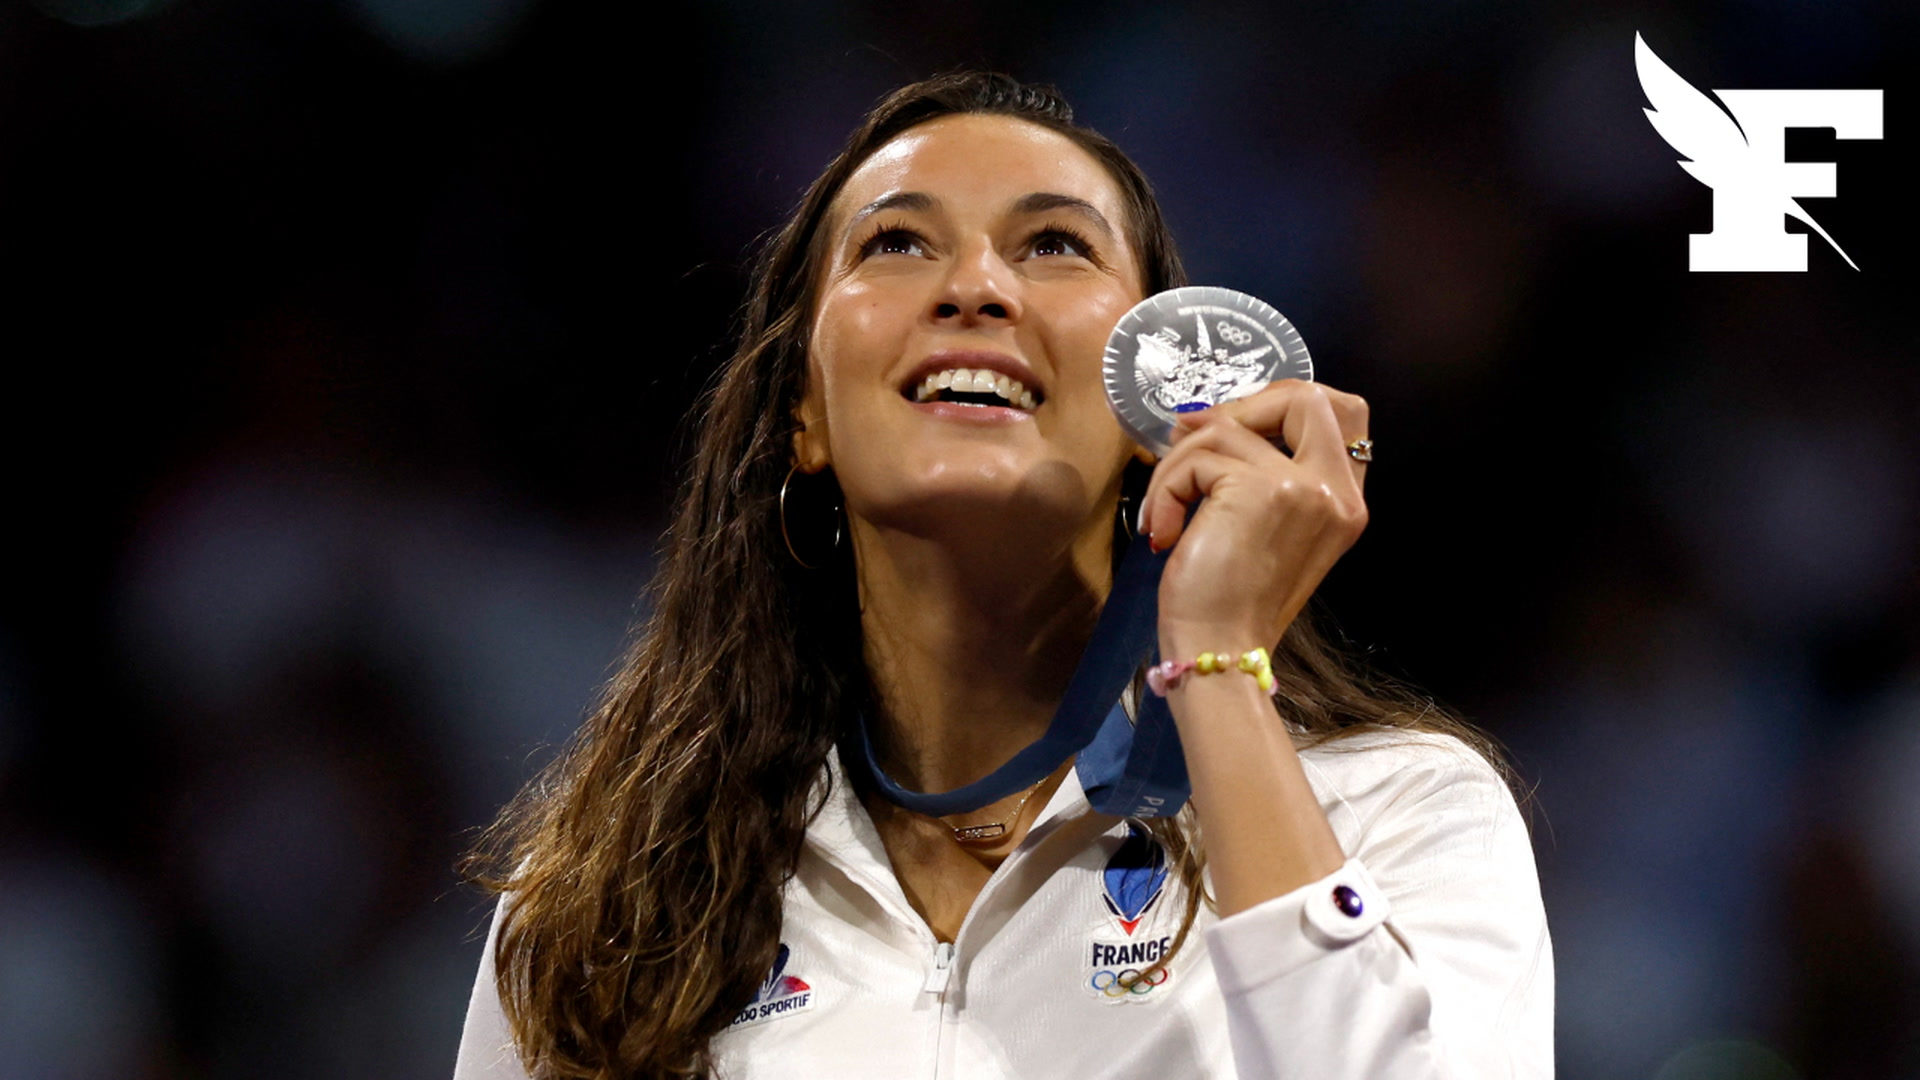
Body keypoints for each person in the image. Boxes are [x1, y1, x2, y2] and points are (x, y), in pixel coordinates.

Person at [453, 72, 1552, 1080]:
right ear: (803, 415)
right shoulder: (619, 897)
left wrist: (1216, 661)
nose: (976, 286)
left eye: (1055, 248)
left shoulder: (1396, 813)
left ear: (1156, 407)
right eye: (895, 245)